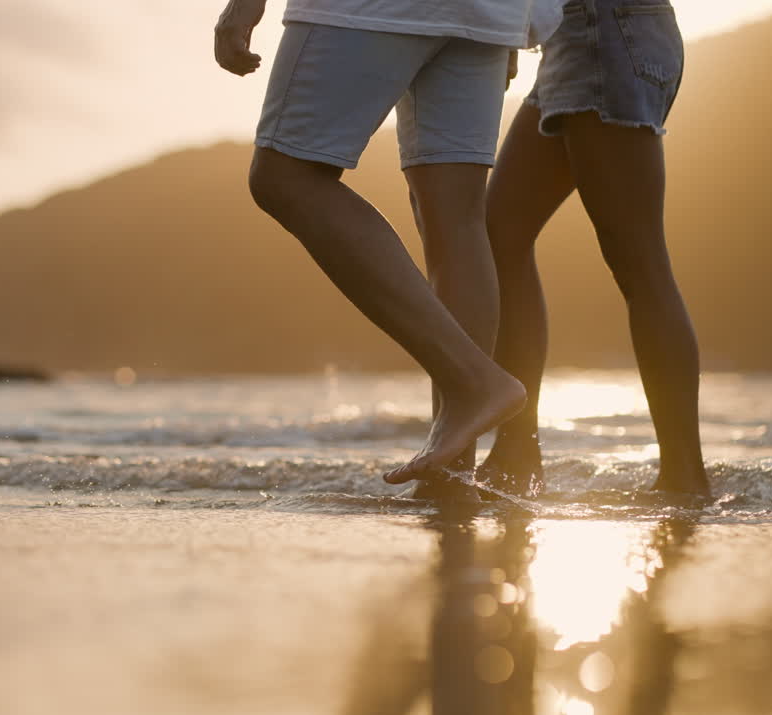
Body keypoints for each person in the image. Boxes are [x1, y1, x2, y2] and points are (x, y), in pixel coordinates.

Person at [214, 0, 562, 493]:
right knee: (456, 219)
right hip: (489, 13)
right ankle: (450, 476)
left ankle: (473, 381)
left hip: (375, 9)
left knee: (282, 177)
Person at [474, 0, 711, 498]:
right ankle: (516, 452)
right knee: (500, 235)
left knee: (640, 262)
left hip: (604, 33)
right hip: (577, 37)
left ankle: (685, 477)